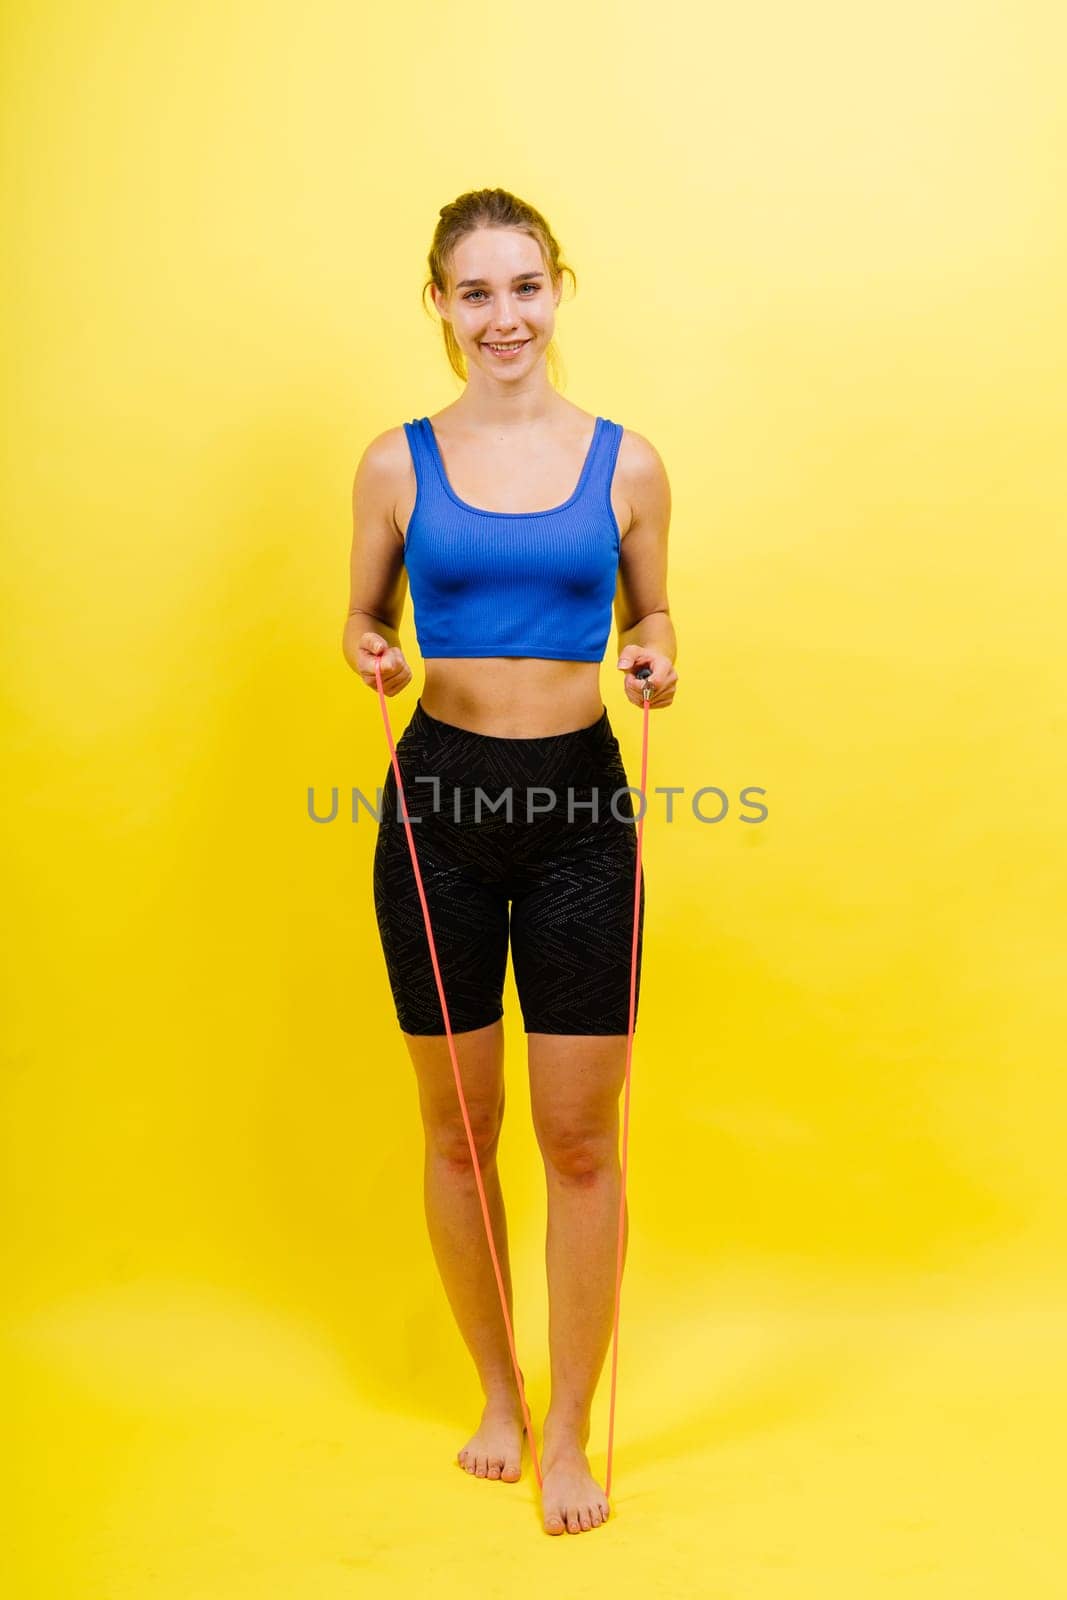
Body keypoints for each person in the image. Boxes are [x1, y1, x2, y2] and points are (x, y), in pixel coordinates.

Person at [342, 186, 678, 1537]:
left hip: (586, 807)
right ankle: (499, 1391)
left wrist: (659, 651)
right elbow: (362, 617)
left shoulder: (631, 463)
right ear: (438, 304)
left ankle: (572, 1433)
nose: (503, 316)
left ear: (560, 289)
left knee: (578, 1139)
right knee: (464, 1133)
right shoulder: (391, 464)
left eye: (525, 285)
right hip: (437, 803)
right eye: (474, 292)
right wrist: (364, 647)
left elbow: (655, 606)